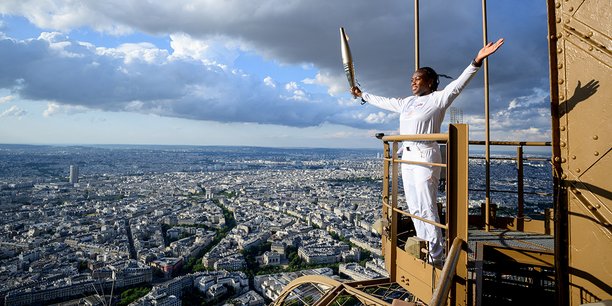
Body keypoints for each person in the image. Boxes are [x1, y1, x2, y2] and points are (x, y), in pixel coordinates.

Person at [351, 39, 504, 264]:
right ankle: (424, 245)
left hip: (425, 155)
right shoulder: (407, 102)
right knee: (414, 206)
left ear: (430, 81)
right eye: (412, 78)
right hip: (408, 156)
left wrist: (476, 60)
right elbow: (385, 101)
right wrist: (362, 94)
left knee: (427, 205)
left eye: (417, 78)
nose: (412, 81)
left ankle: (436, 256)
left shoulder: (438, 99)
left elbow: (459, 84)